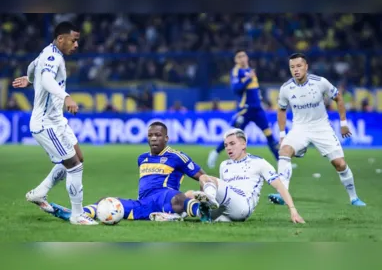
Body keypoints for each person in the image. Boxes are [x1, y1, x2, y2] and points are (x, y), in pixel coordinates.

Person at [12, 21, 97, 225]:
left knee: (78, 157)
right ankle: (77, 216)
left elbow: (33, 67)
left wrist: (31, 79)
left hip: (57, 120)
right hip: (45, 123)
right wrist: (66, 96)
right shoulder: (52, 56)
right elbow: (48, 80)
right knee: (74, 166)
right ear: (61, 39)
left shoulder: (47, 53)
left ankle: (39, 193)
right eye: (74, 40)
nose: (76, 45)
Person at [50, 122, 213, 223]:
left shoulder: (177, 156)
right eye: (150, 135)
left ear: (166, 138)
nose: (154, 138)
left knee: (178, 198)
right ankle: (75, 214)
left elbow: (203, 176)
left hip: (165, 197)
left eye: (158, 135)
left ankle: (202, 211)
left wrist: (207, 192)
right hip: (143, 203)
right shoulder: (142, 158)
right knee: (106, 202)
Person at [268, 53, 366, 207]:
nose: (296, 70)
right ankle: (282, 193)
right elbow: (281, 110)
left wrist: (343, 123)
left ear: (306, 67)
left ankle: (354, 198)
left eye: (299, 66)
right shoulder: (286, 88)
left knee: (340, 164)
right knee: (284, 151)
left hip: (322, 128)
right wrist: (282, 135)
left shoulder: (320, 82)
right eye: (292, 67)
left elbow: (339, 98)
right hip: (300, 128)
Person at [186, 128, 305, 223]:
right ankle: (176, 214)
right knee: (188, 195)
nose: (228, 148)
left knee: (205, 178)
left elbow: (280, 186)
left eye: (232, 144)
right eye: (226, 145)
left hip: (243, 206)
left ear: (243, 144)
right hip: (229, 208)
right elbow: (224, 192)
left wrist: (293, 211)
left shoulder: (258, 162)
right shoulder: (224, 165)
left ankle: (207, 203)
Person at [207, 50, 279, 169]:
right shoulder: (237, 71)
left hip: (258, 110)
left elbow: (255, 90)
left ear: (247, 57)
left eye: (244, 56)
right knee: (233, 135)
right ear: (236, 60)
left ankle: (280, 162)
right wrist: (248, 79)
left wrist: (260, 98)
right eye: (239, 57)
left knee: (269, 135)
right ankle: (215, 153)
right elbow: (236, 89)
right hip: (245, 110)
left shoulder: (250, 71)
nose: (242, 58)